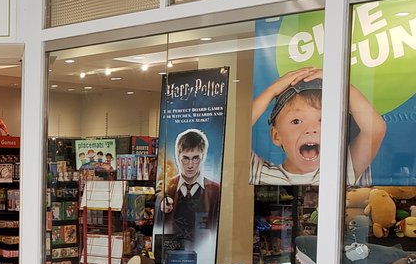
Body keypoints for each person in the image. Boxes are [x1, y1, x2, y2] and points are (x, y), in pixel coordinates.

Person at [249, 67, 385, 185]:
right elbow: (238, 130)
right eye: (296, 121)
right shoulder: (260, 172)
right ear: (276, 136)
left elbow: (375, 130)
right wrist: (272, 90)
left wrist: (341, 83)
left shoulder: (344, 168)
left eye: (323, 120)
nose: (311, 129)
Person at [159, 128, 221, 245]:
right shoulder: (167, 187)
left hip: (204, 249)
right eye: (185, 159)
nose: (190, 165)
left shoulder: (216, 191)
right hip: (171, 249)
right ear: (178, 157)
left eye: (195, 158)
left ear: (203, 157)